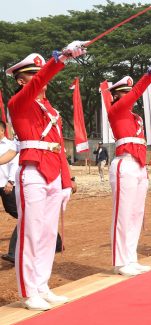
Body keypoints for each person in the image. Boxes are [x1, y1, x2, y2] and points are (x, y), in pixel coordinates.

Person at [7, 44, 84, 310]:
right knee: (32, 233)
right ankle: (29, 292)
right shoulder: (18, 102)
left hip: (53, 172)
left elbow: (59, 145)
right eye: (34, 74)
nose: (41, 78)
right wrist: (60, 59)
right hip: (33, 172)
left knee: (49, 234)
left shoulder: (50, 110)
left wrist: (66, 180)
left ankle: (42, 285)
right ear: (21, 80)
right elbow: (39, 81)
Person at [107, 61, 151, 277]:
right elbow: (135, 94)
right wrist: (150, 75)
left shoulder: (137, 118)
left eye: (128, 93)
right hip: (124, 162)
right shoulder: (115, 110)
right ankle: (120, 261)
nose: (128, 97)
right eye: (123, 93)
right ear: (116, 96)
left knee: (136, 213)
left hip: (139, 165)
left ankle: (131, 257)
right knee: (123, 214)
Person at [0, 121, 19, 264]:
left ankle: (54, 237)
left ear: (2, 131)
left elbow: (14, 164)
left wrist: (11, 181)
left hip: (5, 185)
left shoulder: (10, 146)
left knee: (15, 211)